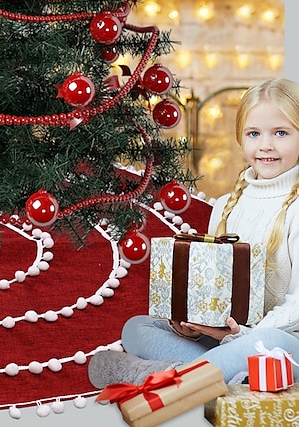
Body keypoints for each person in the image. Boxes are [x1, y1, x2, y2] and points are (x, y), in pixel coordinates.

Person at [88, 78, 299, 387]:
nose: (265, 145)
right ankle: (214, 374)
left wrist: (244, 335)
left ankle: (158, 376)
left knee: (265, 342)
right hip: (226, 339)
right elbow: (216, 290)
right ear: (241, 138)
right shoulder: (227, 205)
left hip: (281, 342)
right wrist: (193, 326)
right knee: (138, 327)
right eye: (254, 133)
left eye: (280, 133)